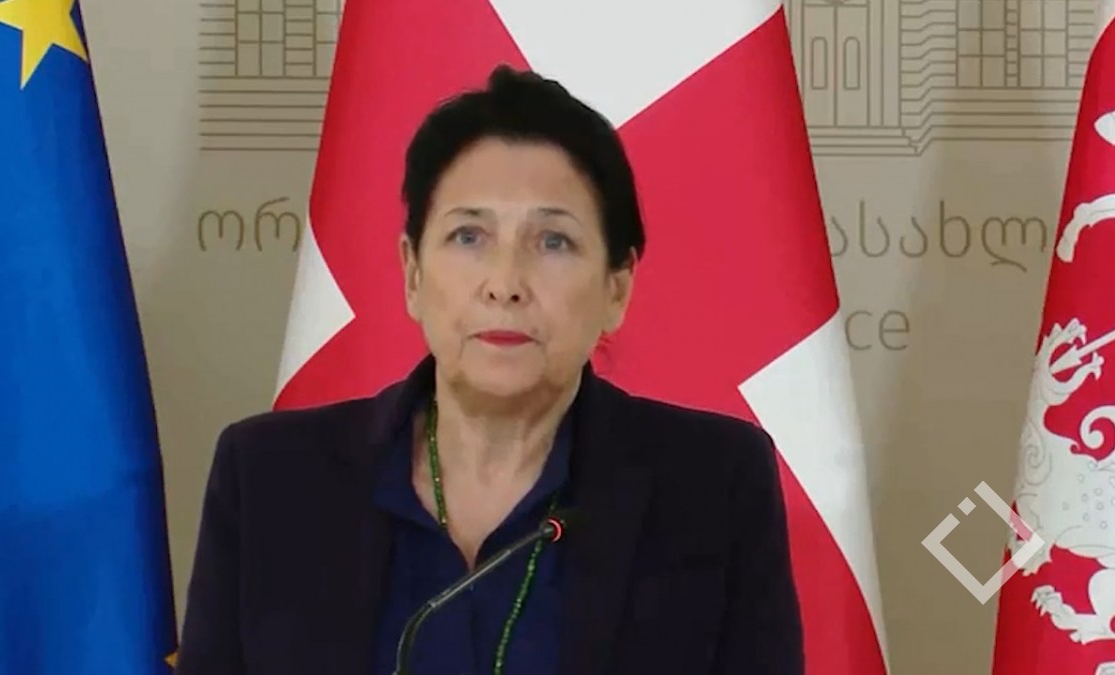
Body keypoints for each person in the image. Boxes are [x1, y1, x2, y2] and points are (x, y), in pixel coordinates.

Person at [174, 64, 803, 675]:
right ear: (413, 273)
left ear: (617, 287)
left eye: (553, 241)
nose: (505, 283)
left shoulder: (712, 485)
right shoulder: (270, 478)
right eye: (469, 237)